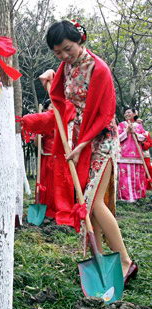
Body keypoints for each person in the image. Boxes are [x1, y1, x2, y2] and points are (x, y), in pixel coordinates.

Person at [38, 20, 137, 285]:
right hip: (79, 137)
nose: (64, 56)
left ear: (80, 40)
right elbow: (59, 94)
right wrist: (50, 76)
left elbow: (105, 114)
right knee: (87, 205)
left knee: (93, 202)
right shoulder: (66, 67)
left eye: (67, 49)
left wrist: (83, 145)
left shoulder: (99, 69)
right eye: (57, 53)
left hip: (101, 139)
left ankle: (126, 261)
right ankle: (100, 258)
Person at [117, 108, 147, 201]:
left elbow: (144, 138)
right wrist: (126, 132)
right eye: (125, 112)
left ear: (134, 114)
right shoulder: (121, 125)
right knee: (124, 177)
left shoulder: (138, 126)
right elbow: (117, 139)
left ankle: (137, 196)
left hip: (137, 156)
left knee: (137, 176)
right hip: (124, 155)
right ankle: (125, 197)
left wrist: (135, 133)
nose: (127, 114)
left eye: (129, 112)